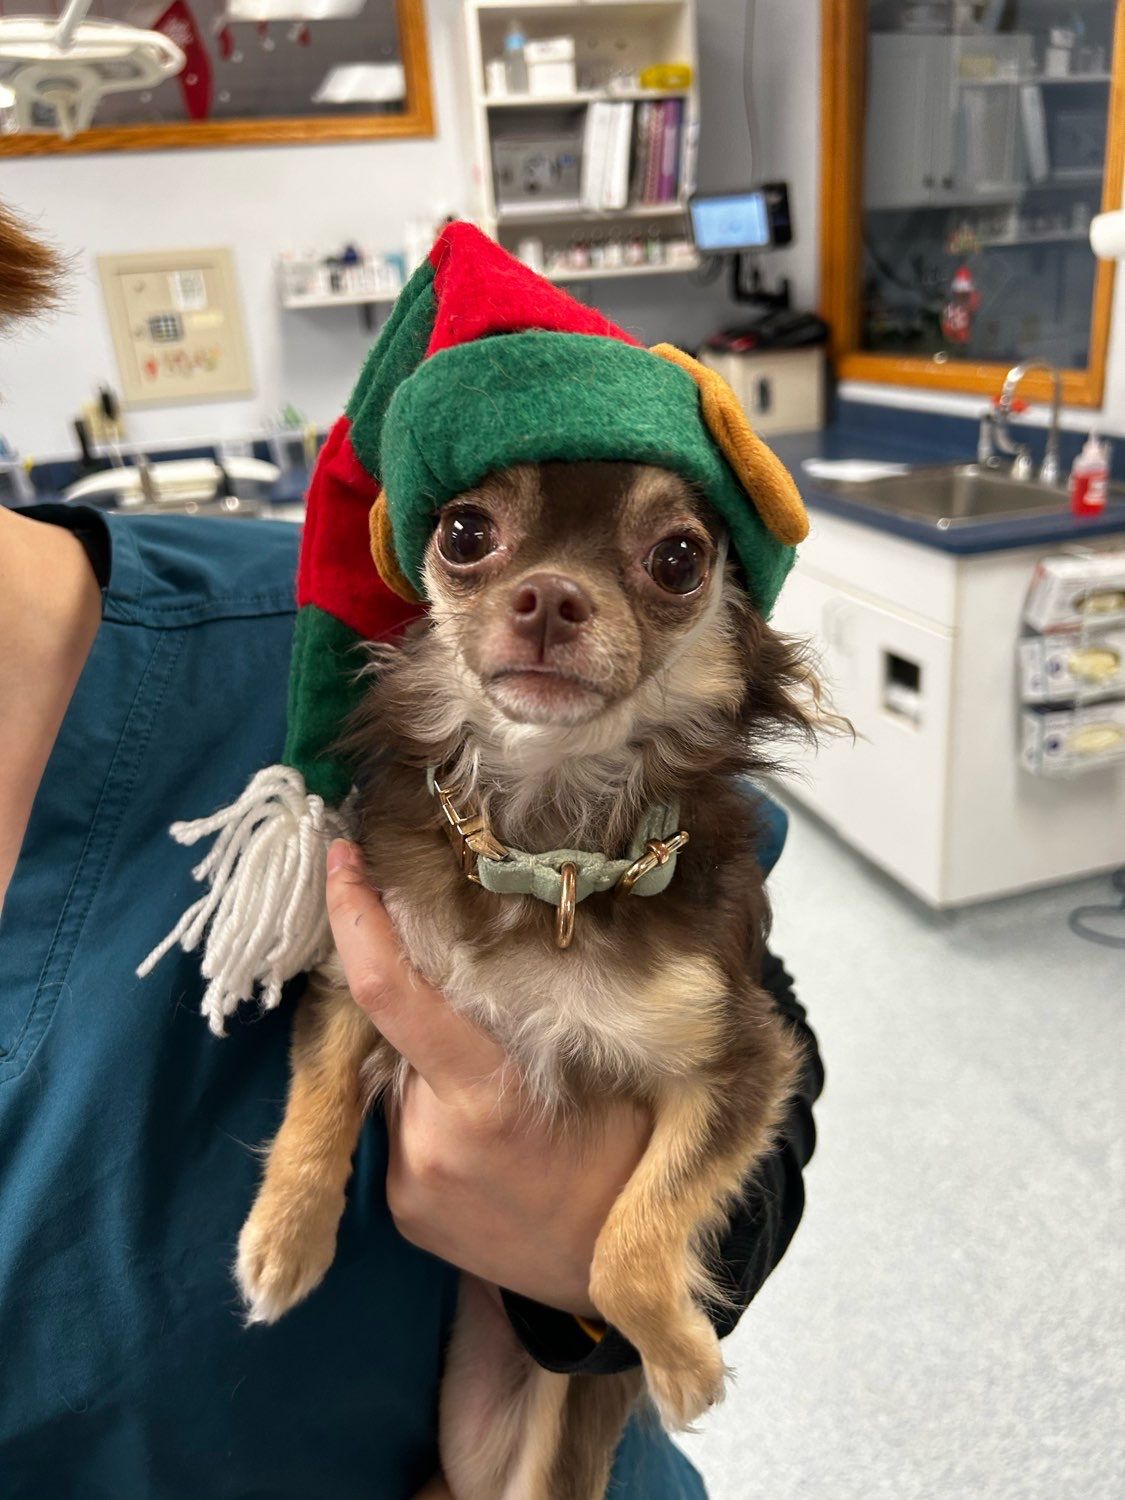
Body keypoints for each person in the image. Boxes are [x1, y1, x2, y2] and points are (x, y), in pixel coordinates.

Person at [0, 206, 822, 1499]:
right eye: (473, 540)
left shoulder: (277, 664)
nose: (545, 599)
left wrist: (596, 1264)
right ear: (425, 562)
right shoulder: (384, 759)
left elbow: (760, 1066)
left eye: (666, 561)